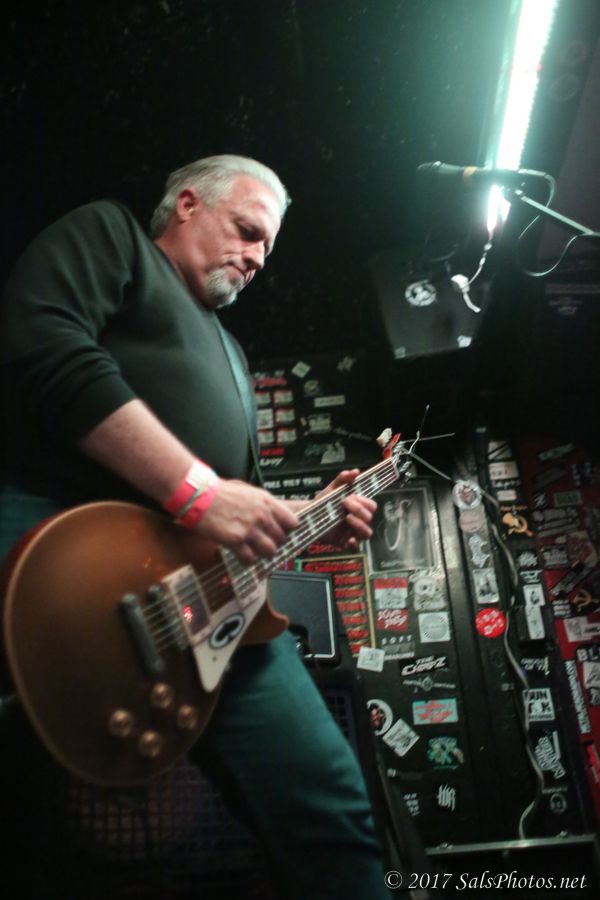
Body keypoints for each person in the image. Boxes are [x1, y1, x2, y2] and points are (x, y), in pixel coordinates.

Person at [0, 155, 392, 898]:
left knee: (329, 804)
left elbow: (233, 513)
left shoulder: (234, 355)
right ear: (187, 205)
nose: (257, 258)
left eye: (267, 248)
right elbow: (41, 340)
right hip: (58, 538)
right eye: (247, 230)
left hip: (206, 610)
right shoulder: (113, 237)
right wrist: (197, 493)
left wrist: (309, 520)